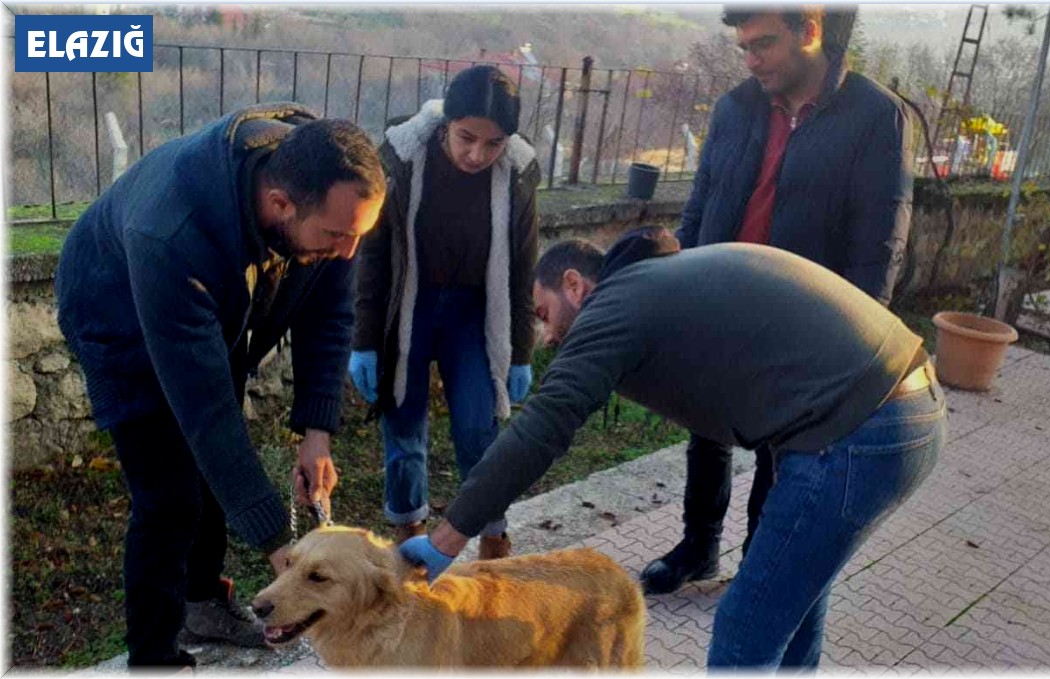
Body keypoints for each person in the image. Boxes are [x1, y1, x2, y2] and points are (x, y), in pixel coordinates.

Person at [400, 231, 946, 670]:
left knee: (746, 628)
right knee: (793, 607)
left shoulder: (617, 305)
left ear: (574, 285)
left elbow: (542, 428)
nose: (547, 338)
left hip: (862, 430)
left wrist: (448, 538)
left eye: (543, 314)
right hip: (895, 407)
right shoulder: (653, 285)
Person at [55, 104, 386, 669]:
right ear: (279, 204)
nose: (347, 253)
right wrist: (287, 556)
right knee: (169, 496)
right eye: (337, 236)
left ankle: (202, 601)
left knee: (211, 474)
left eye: (357, 236)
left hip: (211, 305)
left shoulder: (327, 187)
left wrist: (317, 432)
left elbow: (329, 313)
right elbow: (208, 418)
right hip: (114, 318)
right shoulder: (171, 230)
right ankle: (153, 657)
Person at [648, 5, 916, 595]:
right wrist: (675, 284)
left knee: (785, 452)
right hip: (721, 304)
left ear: (810, 31)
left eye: (764, 44)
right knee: (706, 432)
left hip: (804, 325)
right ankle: (698, 547)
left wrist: (858, 344)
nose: (751, 60)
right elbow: (701, 206)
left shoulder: (876, 117)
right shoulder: (736, 108)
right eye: (744, 46)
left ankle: (757, 561)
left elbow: (880, 243)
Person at [348, 65, 539, 559]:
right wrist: (364, 341)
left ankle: (493, 541)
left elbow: (521, 269)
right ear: (446, 124)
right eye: (466, 138)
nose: (477, 155)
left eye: (493, 143)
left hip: (472, 315)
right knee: (404, 430)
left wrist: (520, 351)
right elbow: (374, 256)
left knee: (478, 428)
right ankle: (409, 542)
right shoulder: (403, 158)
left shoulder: (517, 174)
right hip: (407, 310)